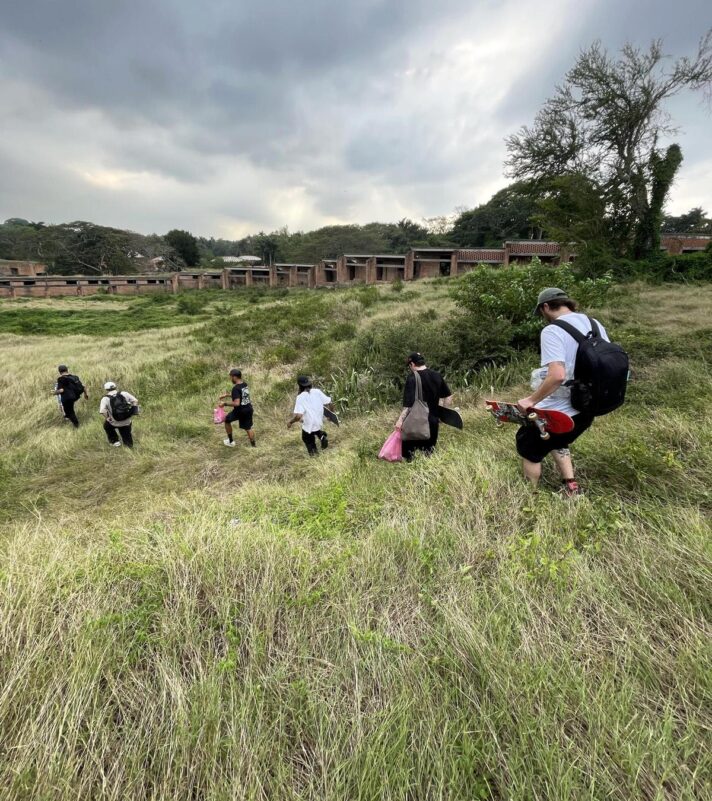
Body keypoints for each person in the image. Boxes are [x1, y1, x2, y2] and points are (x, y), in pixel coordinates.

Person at [515, 287, 610, 495]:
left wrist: (531, 400)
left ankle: (529, 497)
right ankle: (571, 485)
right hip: (587, 407)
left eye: (541, 312)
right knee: (559, 439)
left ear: (546, 307)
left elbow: (557, 375)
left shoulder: (553, 330)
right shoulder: (595, 324)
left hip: (560, 410)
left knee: (528, 446)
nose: (543, 317)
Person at [395, 353, 453, 461]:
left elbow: (408, 405)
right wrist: (442, 415)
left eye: (409, 366)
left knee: (409, 457)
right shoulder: (436, 375)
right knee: (429, 455)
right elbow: (448, 396)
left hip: (415, 423)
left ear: (412, 364)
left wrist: (400, 420)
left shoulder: (412, 378)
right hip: (433, 422)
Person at [287, 376, 333, 456]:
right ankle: (322, 436)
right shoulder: (317, 391)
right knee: (316, 430)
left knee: (307, 439)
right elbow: (330, 402)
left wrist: (291, 422)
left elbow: (298, 416)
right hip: (319, 421)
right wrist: (331, 415)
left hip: (308, 423)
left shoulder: (300, 397)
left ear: (300, 386)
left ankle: (315, 456)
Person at [218, 369, 256, 448]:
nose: (230, 379)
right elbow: (241, 396)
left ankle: (231, 442)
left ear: (235, 377)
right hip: (248, 409)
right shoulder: (244, 384)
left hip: (240, 411)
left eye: (231, 377)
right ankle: (254, 446)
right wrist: (227, 395)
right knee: (248, 428)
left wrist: (224, 404)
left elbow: (237, 403)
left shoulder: (235, 388)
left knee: (227, 420)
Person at [100, 381, 139, 448]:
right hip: (127, 420)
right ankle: (129, 446)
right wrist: (134, 410)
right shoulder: (124, 393)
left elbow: (102, 410)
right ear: (115, 387)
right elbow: (135, 400)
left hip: (114, 422)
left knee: (107, 426)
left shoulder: (105, 398)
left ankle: (115, 441)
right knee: (126, 434)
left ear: (106, 389)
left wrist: (108, 418)